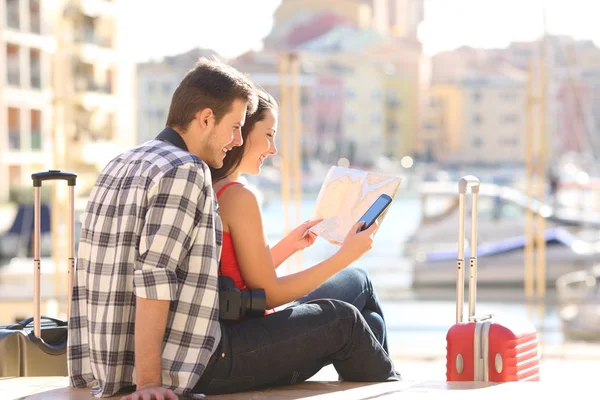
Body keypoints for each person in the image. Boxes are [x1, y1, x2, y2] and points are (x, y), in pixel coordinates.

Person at [68, 58, 397, 400]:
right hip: (194, 360)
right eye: (236, 127)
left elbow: (91, 269)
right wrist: (149, 382)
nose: (237, 140)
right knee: (344, 320)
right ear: (206, 118)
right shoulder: (185, 170)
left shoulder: (123, 161)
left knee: (364, 316)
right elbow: (155, 275)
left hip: (113, 362)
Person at [209, 90, 391, 354]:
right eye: (269, 135)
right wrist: (345, 255)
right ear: (243, 131)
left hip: (239, 326)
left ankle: (388, 381)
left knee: (371, 323)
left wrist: (288, 246)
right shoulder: (238, 196)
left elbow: (238, 277)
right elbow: (268, 294)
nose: (273, 150)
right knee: (358, 279)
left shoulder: (218, 187)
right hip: (249, 334)